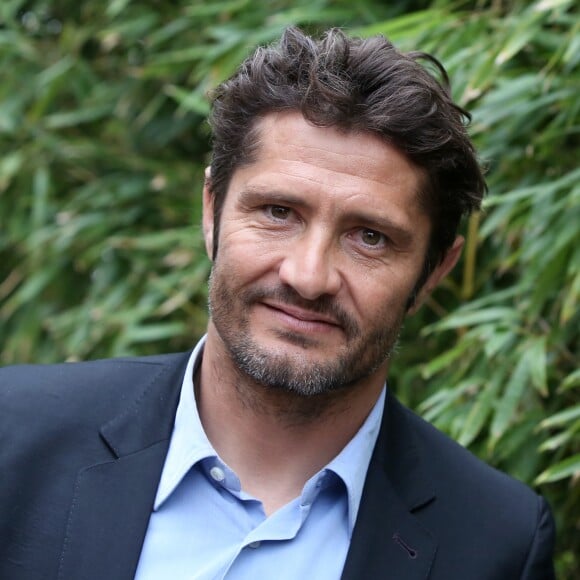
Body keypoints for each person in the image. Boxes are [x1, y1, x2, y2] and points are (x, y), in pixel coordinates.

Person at [0, 27, 555, 580]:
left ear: (435, 270)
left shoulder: (498, 543)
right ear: (212, 208)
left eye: (370, 238)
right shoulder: (14, 437)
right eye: (277, 212)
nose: (308, 277)